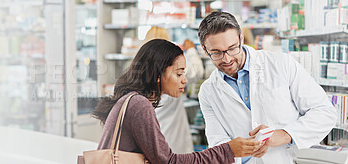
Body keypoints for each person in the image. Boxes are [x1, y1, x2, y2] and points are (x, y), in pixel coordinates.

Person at [197, 11, 337, 164]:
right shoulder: (208, 91)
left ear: (241, 38)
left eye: (232, 48)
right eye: (216, 53)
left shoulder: (282, 64)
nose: (227, 58)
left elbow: (325, 112)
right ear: (205, 50)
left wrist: (285, 134)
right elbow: (218, 144)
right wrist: (243, 149)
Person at [92, 39, 261, 163]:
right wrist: (227, 150)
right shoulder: (139, 104)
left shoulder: (133, 100)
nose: (184, 80)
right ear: (158, 75)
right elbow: (168, 162)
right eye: (179, 73)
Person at [143, 26, 194, 153]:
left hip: (153, 143)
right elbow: (195, 72)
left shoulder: (143, 70)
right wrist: (192, 50)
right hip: (174, 143)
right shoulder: (172, 71)